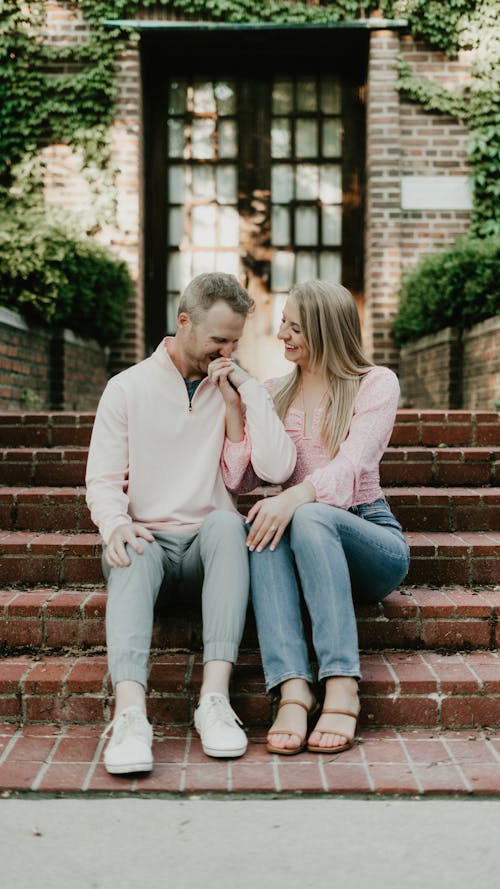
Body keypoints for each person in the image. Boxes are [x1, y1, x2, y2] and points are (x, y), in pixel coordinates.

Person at [85, 272, 296, 773]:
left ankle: (214, 702)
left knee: (228, 524)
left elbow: (275, 470)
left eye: (235, 342)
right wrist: (114, 524)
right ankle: (131, 715)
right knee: (131, 541)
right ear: (184, 322)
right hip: (149, 545)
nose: (226, 351)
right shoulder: (127, 388)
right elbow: (103, 479)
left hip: (209, 546)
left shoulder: (234, 389)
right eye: (218, 340)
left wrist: (248, 393)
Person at [239, 280, 410, 755]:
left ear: (324, 328)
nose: (282, 335)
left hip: (369, 538)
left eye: (295, 326)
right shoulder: (273, 392)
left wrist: (294, 498)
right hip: (298, 540)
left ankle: (341, 682)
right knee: (261, 525)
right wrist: (237, 410)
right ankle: (293, 688)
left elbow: (352, 465)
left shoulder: (375, 384)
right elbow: (242, 479)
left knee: (309, 515)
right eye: (283, 324)